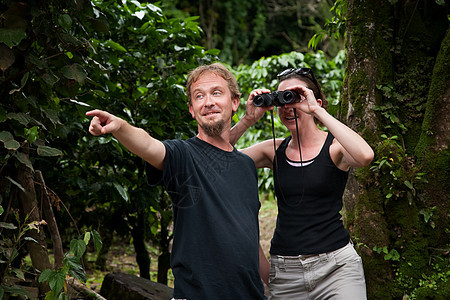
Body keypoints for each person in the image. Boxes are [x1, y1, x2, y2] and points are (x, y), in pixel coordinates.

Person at [86, 63, 266, 299]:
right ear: (192, 110)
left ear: (234, 103)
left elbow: (250, 237)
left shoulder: (245, 165)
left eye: (216, 93)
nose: (208, 102)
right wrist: (120, 126)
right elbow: (149, 144)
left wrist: (275, 280)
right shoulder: (183, 155)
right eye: (199, 96)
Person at [230, 67, 374, 299]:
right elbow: (217, 158)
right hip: (287, 272)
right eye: (281, 100)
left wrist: (317, 110)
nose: (287, 107)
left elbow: (365, 156)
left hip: (337, 268)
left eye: (294, 97)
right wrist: (247, 120)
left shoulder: (335, 147)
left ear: (313, 100)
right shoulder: (273, 150)